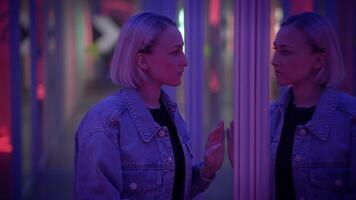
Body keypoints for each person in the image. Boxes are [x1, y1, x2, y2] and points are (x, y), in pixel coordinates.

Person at [74, 12, 225, 200]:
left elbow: (173, 188)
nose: (185, 61)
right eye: (175, 52)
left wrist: (207, 170)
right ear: (143, 61)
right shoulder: (105, 123)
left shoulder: (169, 112)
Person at [227, 12, 356, 199]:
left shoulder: (349, 118)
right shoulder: (269, 117)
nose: (274, 60)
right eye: (275, 50)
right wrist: (244, 171)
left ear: (318, 60)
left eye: (285, 52)